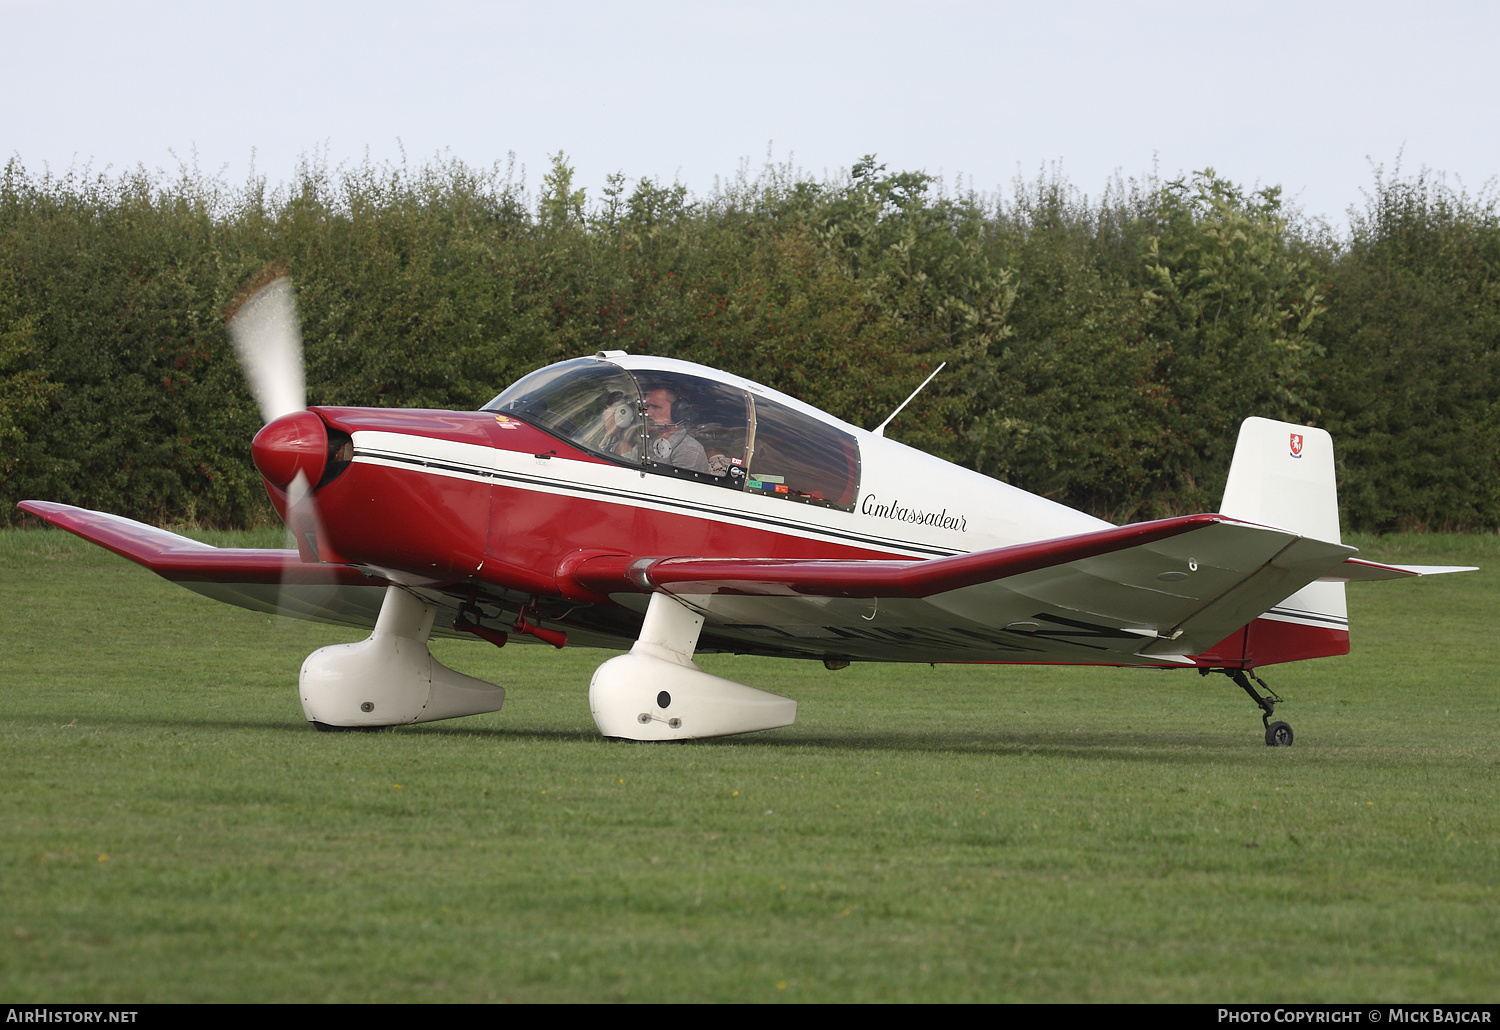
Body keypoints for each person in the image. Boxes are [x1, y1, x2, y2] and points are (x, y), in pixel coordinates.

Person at [641, 386, 710, 473]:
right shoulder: (648, 441)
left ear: (677, 411)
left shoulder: (689, 449)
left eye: (655, 407)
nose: (648, 412)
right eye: (647, 406)